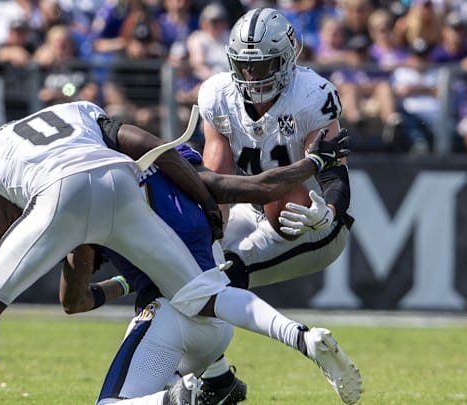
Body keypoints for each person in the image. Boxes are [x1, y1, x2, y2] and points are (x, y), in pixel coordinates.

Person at [0, 100, 362, 405]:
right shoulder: (136, 162)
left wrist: (66, 252)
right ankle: (293, 338)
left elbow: (70, 298)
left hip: (161, 319)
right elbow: (239, 184)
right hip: (211, 316)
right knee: (206, 294)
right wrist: (312, 163)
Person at [60, 127, 350, 404]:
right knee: (211, 284)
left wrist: (76, 239)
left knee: (114, 403)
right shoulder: (175, 162)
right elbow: (260, 188)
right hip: (217, 328)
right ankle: (221, 379)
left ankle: (183, 398)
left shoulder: (92, 195)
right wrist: (314, 162)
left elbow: (73, 301)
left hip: (169, 321)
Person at [197, 7, 357, 401]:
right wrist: (204, 241)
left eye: (263, 65)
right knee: (192, 274)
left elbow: (335, 174)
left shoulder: (311, 96)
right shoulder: (217, 95)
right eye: (245, 66)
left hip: (307, 220)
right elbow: (215, 183)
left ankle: (217, 379)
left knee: (220, 278)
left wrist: (329, 214)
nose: (252, 76)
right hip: (250, 208)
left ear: (286, 60)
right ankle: (214, 379)